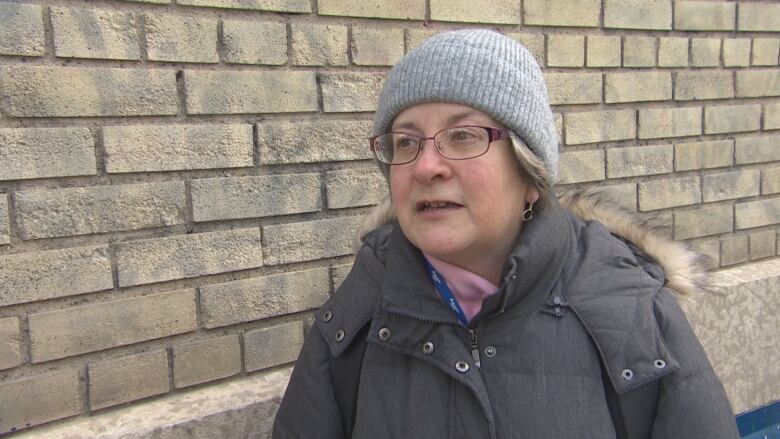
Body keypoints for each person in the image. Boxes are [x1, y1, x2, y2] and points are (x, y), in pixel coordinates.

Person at [272, 29, 739, 439]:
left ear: (530, 175)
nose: (427, 166)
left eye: (463, 136)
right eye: (407, 142)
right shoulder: (358, 312)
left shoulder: (630, 307)